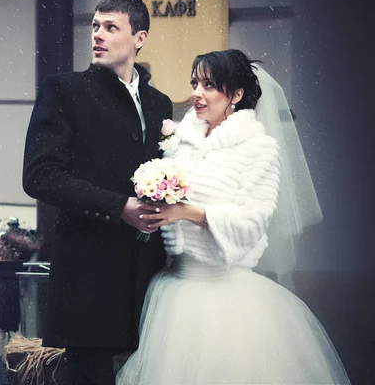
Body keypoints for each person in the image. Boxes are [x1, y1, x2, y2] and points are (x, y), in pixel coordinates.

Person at [117, 49, 351, 384]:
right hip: (173, 288)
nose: (197, 93)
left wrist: (188, 212)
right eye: (194, 82)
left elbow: (253, 221)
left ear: (236, 94)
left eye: (209, 85)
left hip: (225, 294)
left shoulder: (258, 148)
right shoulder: (181, 140)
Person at [22, 0, 173, 385]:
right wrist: (118, 205)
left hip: (147, 280)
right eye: (95, 26)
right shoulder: (65, 91)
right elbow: (39, 175)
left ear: (139, 38)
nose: (98, 35)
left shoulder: (160, 104)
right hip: (88, 277)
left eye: (111, 27)